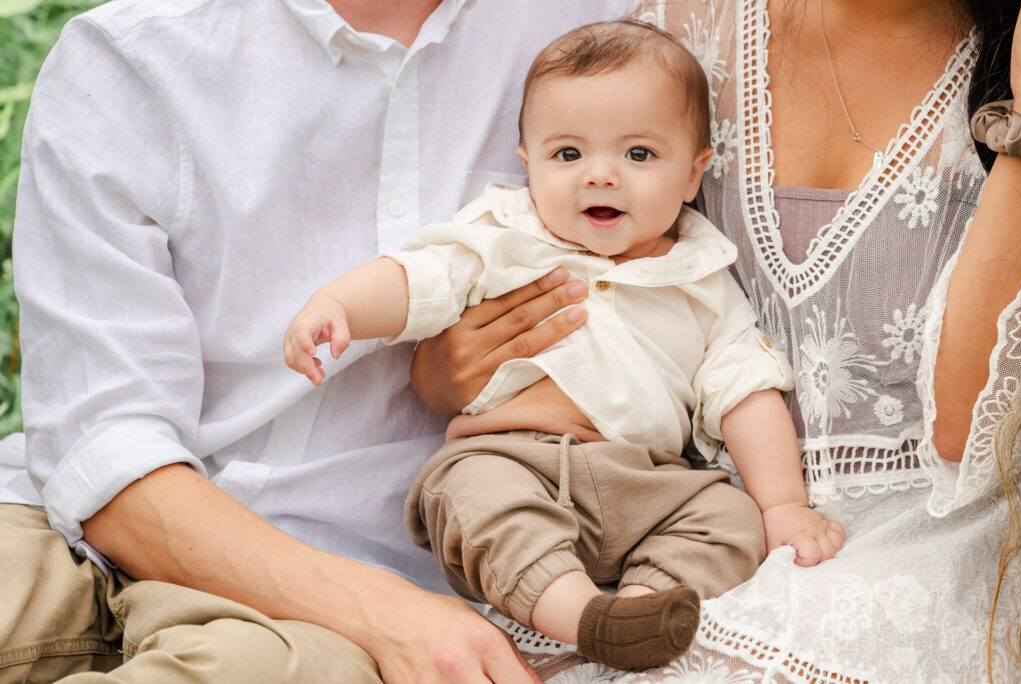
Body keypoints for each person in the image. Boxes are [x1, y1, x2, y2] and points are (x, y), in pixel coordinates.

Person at [0, 1, 639, 682]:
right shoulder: (131, 54)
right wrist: (384, 614)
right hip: (66, 522)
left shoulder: (595, 25)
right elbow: (102, 442)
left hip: (328, 597)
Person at [407, 0, 1021, 681]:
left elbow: (963, 434)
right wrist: (440, 368)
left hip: (904, 542)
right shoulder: (674, 28)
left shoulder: (1005, 65)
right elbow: (515, 255)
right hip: (645, 496)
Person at [283, 20, 846, 672]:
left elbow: (745, 390)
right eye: (568, 155)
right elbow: (420, 277)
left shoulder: (701, 277)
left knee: (729, 518)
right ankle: (583, 615)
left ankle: (644, 605)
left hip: (648, 479)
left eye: (638, 155)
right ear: (528, 164)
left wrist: (782, 504)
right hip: (509, 458)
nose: (600, 177)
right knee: (473, 501)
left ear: (694, 176)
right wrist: (340, 306)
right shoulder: (506, 232)